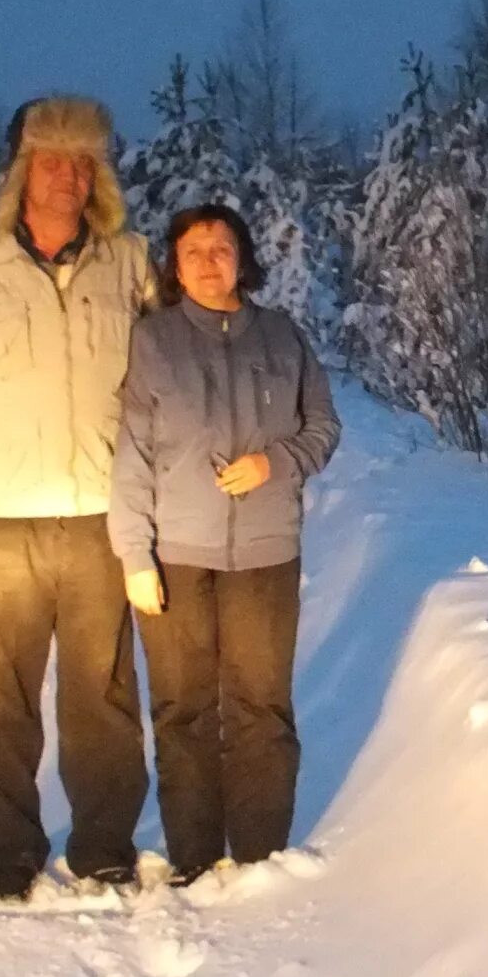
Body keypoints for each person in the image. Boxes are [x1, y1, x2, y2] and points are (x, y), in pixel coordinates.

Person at [0, 96, 157, 901]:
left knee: (102, 699)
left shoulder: (130, 263)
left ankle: (104, 846)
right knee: (0, 698)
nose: (69, 176)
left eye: (83, 162)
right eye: (52, 159)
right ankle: (9, 851)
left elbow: (164, 388)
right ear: (21, 172)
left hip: (97, 515)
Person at [109, 203, 340, 885]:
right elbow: (130, 455)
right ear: (174, 267)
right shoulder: (153, 341)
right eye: (193, 251)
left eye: (221, 247)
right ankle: (192, 854)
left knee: (260, 706)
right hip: (178, 553)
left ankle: (260, 855)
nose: (208, 261)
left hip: (267, 552)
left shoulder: (281, 337)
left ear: (243, 258)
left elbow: (323, 426)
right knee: (183, 708)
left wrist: (279, 460)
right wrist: (134, 556)